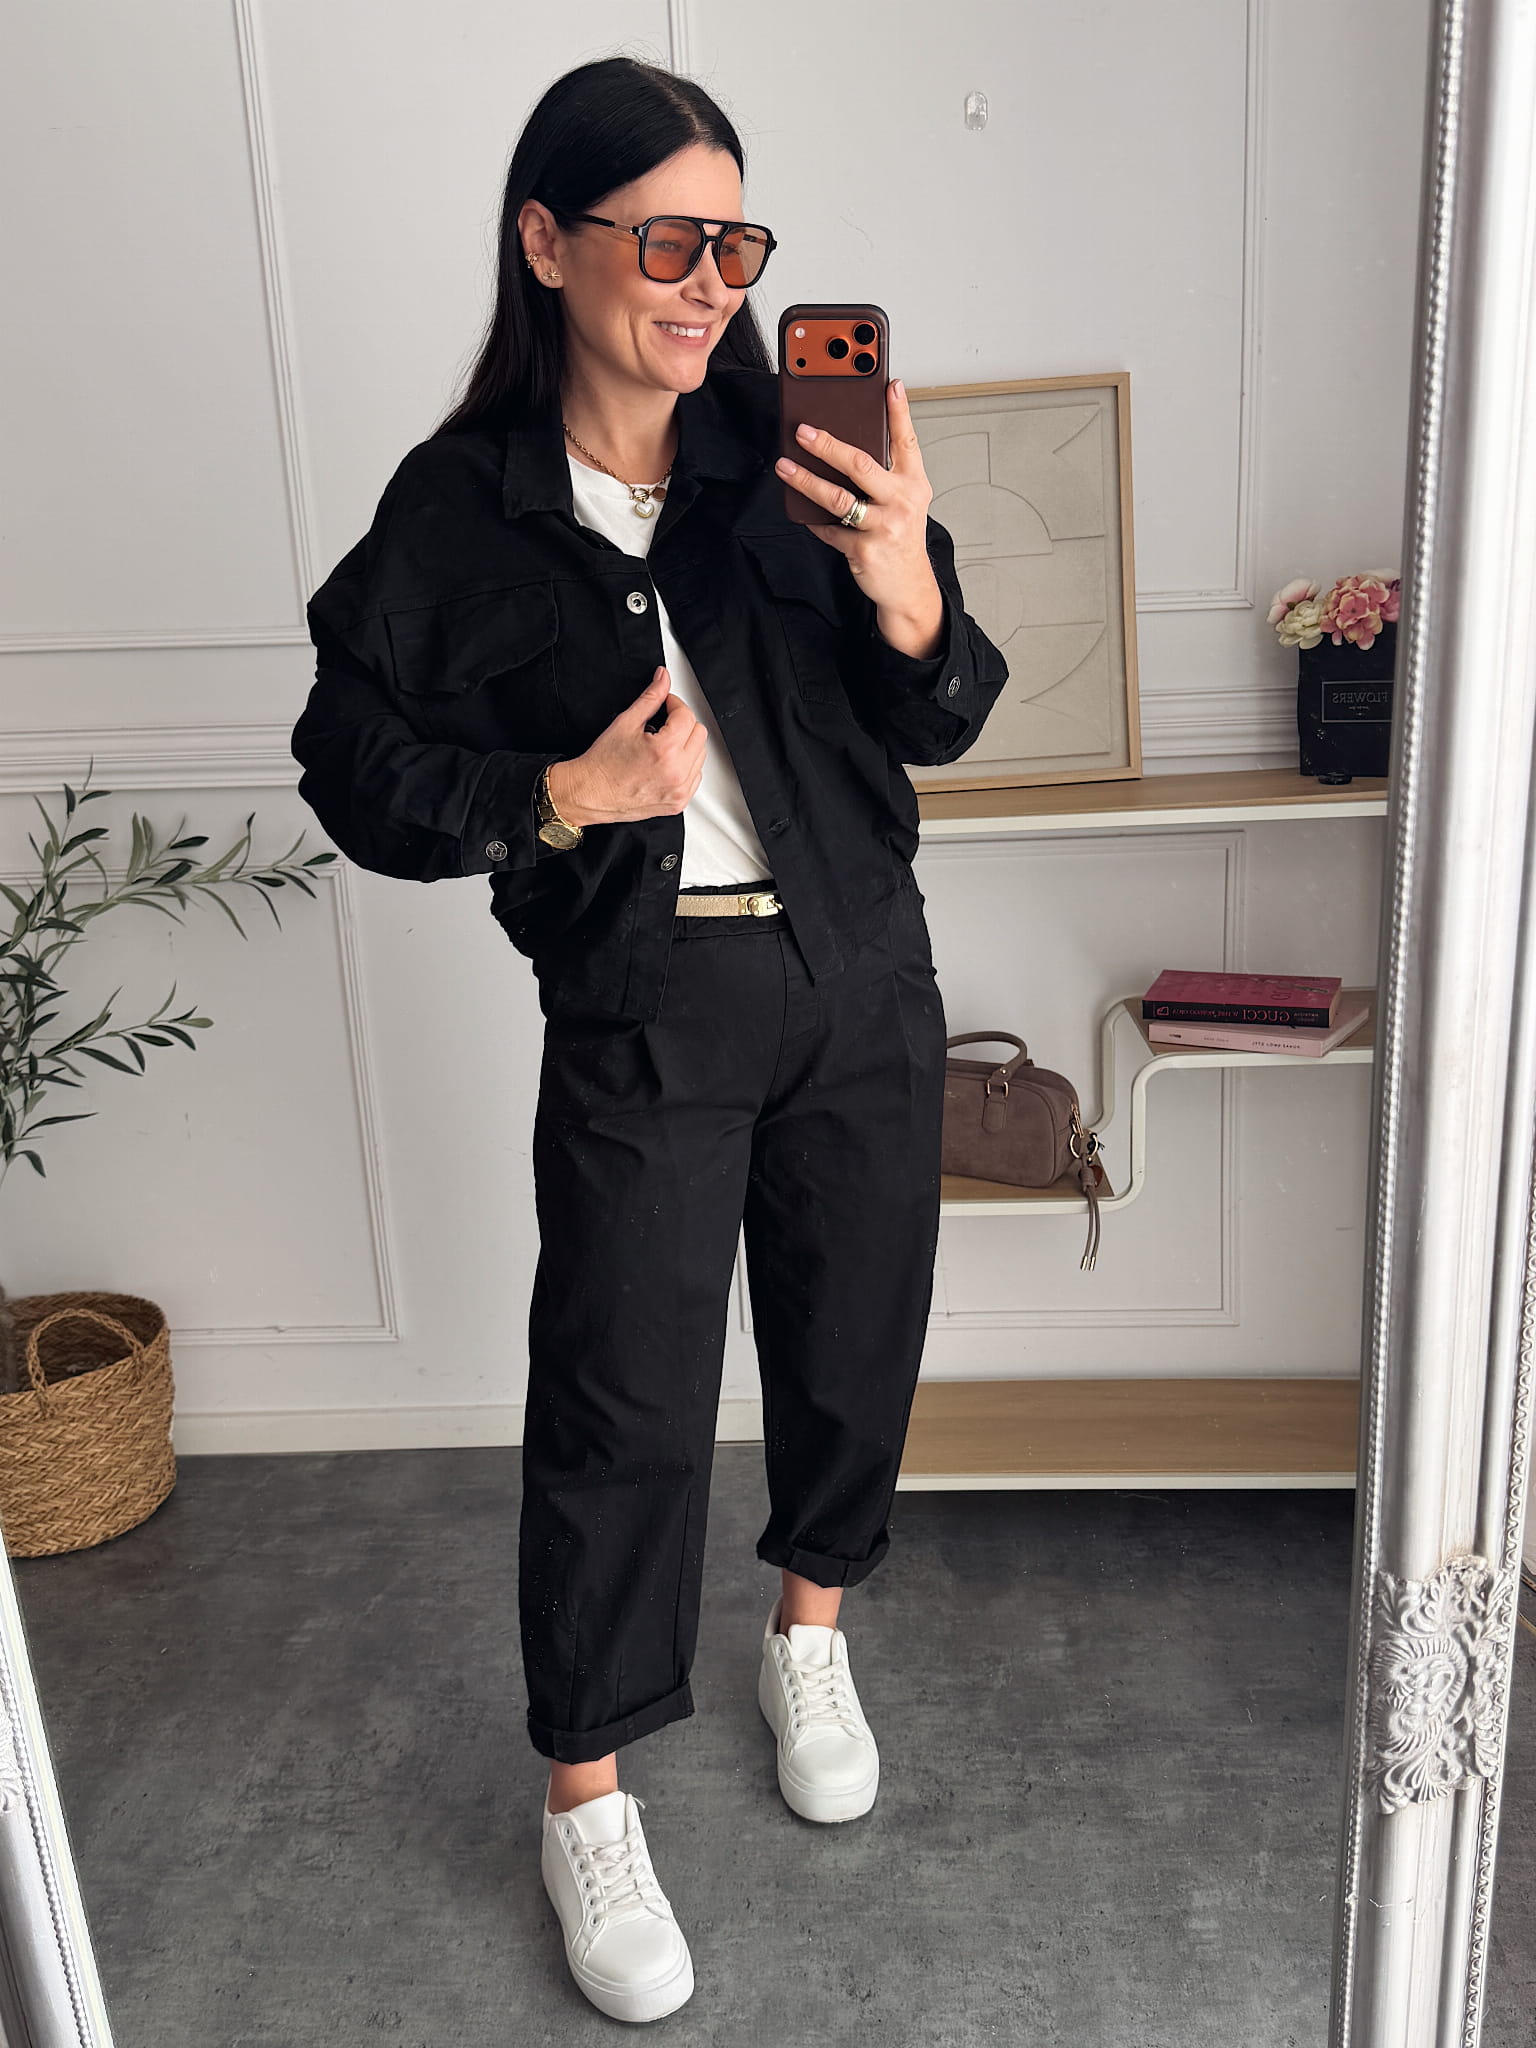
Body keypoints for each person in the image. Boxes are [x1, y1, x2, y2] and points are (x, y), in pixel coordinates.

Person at [290, 54, 1008, 2024]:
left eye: (735, 245)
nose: (709, 283)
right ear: (548, 241)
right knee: (621, 1402)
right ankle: (588, 1799)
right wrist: (556, 797)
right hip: (643, 999)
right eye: (668, 239)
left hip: (858, 970)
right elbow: (352, 763)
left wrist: (905, 581)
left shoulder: (793, 454)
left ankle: (809, 1633)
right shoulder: (460, 510)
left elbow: (947, 710)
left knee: (855, 1335)